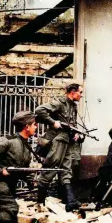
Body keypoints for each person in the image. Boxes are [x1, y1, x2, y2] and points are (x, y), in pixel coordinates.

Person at [35, 81, 83, 212]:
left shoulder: (73, 105)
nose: (82, 95)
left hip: (67, 141)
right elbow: (39, 110)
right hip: (57, 141)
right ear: (73, 92)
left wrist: (76, 133)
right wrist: (53, 122)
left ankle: (70, 202)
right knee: (50, 168)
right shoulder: (60, 102)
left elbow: (71, 123)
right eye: (80, 92)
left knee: (66, 170)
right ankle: (40, 202)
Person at [0, 111, 37, 223]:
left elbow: (23, 169)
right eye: (34, 124)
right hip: (0, 185)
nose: (36, 127)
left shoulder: (26, 147)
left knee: (11, 217)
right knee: (9, 210)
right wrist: (0, 171)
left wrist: (32, 182)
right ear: (27, 127)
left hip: (9, 187)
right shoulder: (7, 141)